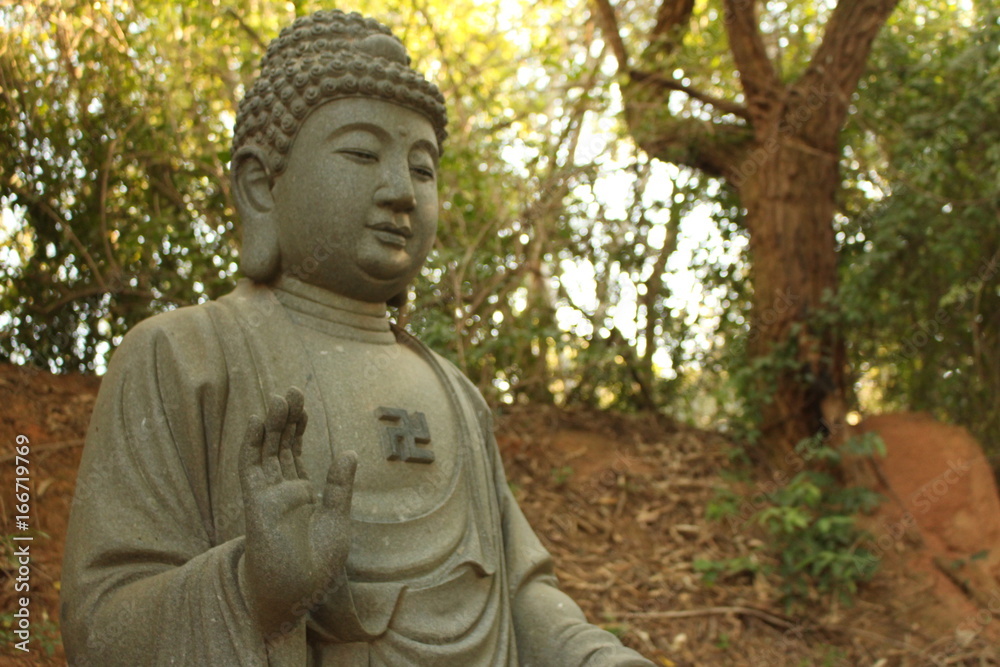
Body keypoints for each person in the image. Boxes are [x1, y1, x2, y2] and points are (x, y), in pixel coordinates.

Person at [61, 10, 654, 666]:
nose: (400, 191)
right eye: (362, 153)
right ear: (261, 185)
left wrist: (596, 657)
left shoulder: (455, 393)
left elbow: (522, 593)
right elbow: (101, 623)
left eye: (423, 167)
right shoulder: (186, 356)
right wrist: (255, 587)